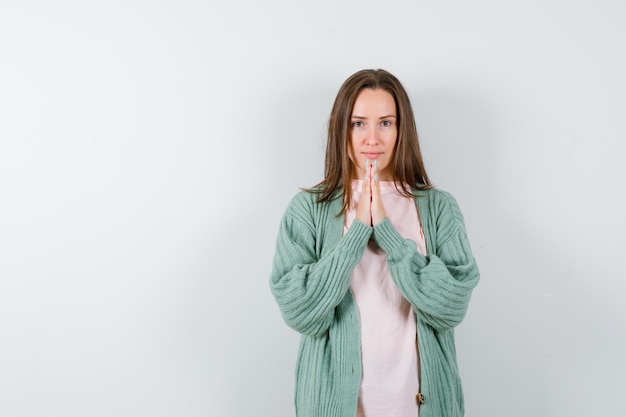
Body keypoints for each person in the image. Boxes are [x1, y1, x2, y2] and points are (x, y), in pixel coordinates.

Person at [269, 69, 480, 417]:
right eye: (358, 123)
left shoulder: (439, 207)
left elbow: (451, 307)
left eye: (385, 123)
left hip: (421, 407)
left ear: (401, 130)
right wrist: (355, 237)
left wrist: (387, 232)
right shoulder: (308, 209)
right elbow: (299, 310)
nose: (372, 138)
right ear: (342, 129)